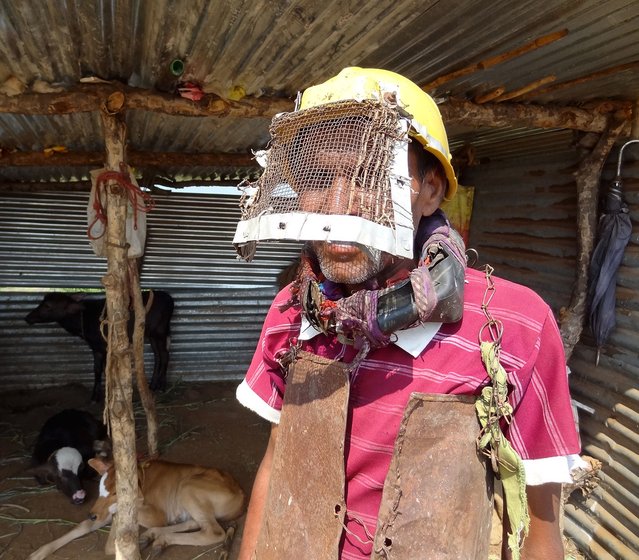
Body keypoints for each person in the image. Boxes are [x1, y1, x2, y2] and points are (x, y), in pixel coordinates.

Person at [233, 67, 581, 560]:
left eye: (371, 175)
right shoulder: (292, 310)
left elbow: (538, 527)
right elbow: (276, 457)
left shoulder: (515, 325)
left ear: (432, 191)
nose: (338, 206)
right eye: (316, 177)